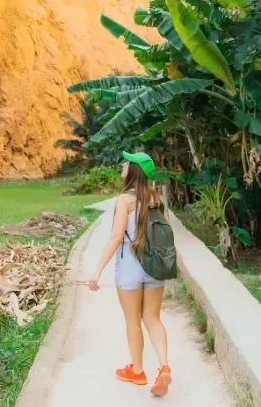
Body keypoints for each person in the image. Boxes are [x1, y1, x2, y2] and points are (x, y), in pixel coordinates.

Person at [87, 151, 173, 397]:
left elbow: (116, 237)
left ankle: (137, 371)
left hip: (129, 268)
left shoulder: (124, 200)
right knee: (153, 318)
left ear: (135, 170)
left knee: (133, 321)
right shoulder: (156, 197)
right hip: (154, 267)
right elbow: (166, 233)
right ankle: (164, 366)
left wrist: (97, 270)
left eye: (128, 162)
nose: (123, 164)